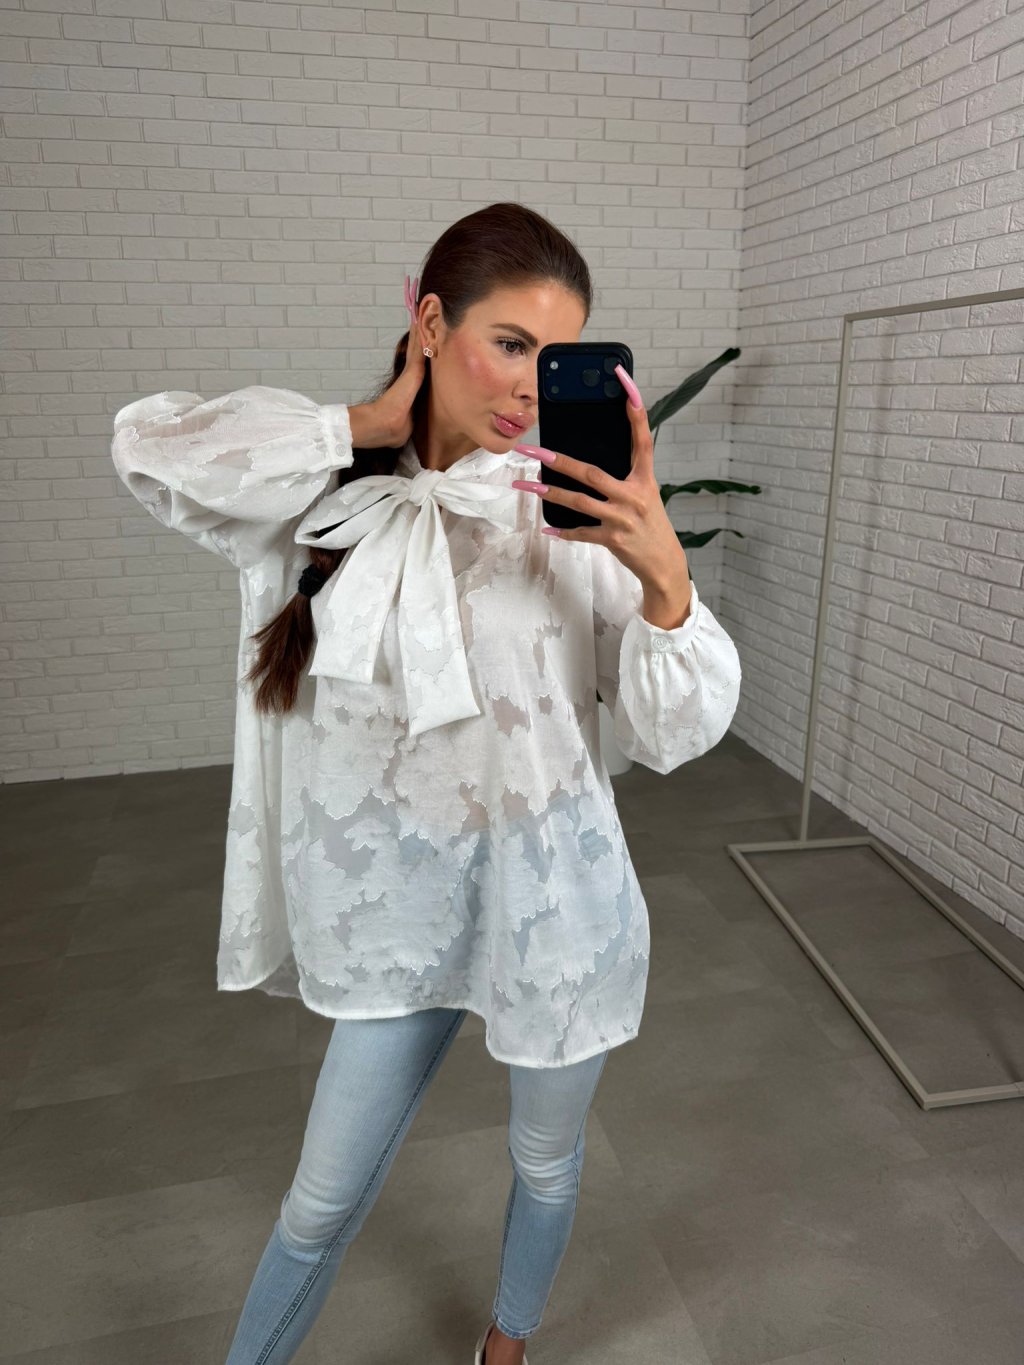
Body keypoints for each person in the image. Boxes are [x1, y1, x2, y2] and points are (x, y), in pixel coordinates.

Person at [111, 201, 742, 1364]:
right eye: (510, 343)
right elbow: (150, 447)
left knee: (544, 1165)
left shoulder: (570, 520)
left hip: (553, 912)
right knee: (317, 1202)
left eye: (556, 360)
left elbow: (673, 730)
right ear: (432, 323)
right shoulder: (321, 498)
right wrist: (362, 423)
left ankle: (507, 1343)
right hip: (392, 916)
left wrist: (663, 581)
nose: (531, 388)